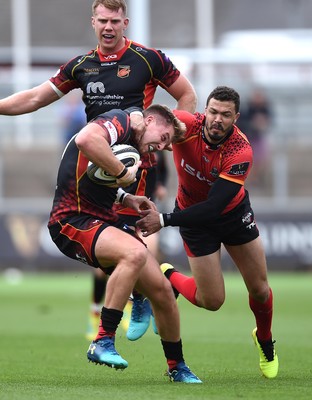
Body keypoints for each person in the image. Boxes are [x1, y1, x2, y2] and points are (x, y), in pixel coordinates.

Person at [0, 0, 197, 340]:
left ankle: (138, 302)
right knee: (114, 246)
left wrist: (166, 143)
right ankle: (139, 296)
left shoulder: (149, 59)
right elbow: (34, 98)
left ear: (126, 23)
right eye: (102, 20)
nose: (108, 27)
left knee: (135, 241)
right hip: (97, 162)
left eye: (115, 21)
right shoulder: (82, 66)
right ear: (93, 22)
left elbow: (187, 97)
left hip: (135, 167)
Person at [47, 104, 202, 383]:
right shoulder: (121, 121)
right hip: (71, 220)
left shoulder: (131, 144)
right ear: (151, 119)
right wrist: (121, 172)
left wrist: (126, 198)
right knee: (134, 253)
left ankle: (176, 366)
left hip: (101, 219)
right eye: (164, 137)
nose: (162, 146)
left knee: (164, 293)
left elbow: (92, 176)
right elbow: (85, 139)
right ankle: (103, 340)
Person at [136, 86, 279, 379]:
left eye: (226, 115)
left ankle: (264, 341)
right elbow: (147, 123)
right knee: (211, 301)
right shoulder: (185, 125)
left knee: (260, 291)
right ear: (205, 111)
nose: (217, 119)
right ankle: (168, 277)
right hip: (193, 218)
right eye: (213, 112)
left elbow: (214, 207)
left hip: (232, 216)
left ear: (236, 117)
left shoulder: (241, 151)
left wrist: (163, 220)